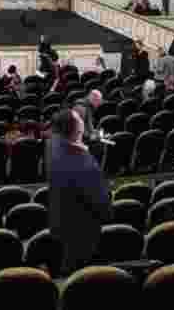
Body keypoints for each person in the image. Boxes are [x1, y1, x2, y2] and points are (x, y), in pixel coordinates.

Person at [46, 108, 111, 275]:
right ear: (76, 128)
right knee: (79, 273)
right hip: (81, 231)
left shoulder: (53, 144)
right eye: (79, 119)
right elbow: (102, 206)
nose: (82, 120)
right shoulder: (84, 165)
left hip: (61, 219)